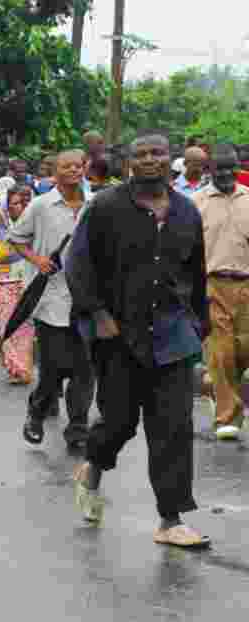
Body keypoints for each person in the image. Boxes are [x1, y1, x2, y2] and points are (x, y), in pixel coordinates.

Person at [66, 132, 209, 547]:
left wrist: (198, 324)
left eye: (158, 153)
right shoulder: (106, 207)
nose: (150, 160)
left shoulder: (186, 212)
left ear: (171, 160)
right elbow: (77, 265)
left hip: (172, 336)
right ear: (128, 162)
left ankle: (171, 519)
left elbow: (194, 273)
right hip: (119, 335)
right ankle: (93, 465)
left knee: (173, 427)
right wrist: (97, 313)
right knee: (119, 422)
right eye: (141, 154)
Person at [9, 150, 94, 451]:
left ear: (85, 168)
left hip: (88, 300)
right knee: (54, 368)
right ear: (54, 173)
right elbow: (16, 239)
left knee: (85, 370)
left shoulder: (95, 205)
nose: (73, 170)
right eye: (65, 166)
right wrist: (38, 259)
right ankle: (36, 412)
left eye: (77, 165)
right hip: (51, 300)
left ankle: (78, 428)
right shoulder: (41, 205)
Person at [192, 145, 249, 441]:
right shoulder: (196, 202)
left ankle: (221, 388)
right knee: (221, 349)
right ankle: (227, 415)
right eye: (220, 168)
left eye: (231, 167)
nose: (226, 173)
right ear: (209, 170)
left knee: (243, 349)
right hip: (211, 284)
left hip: (247, 286)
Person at [0, 186, 35, 385]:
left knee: (26, 329)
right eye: (15, 203)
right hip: (5, 286)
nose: (21, 207)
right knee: (11, 328)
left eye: (24, 203)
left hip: (30, 283)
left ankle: (23, 369)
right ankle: (17, 369)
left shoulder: (36, 226)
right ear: (6, 208)